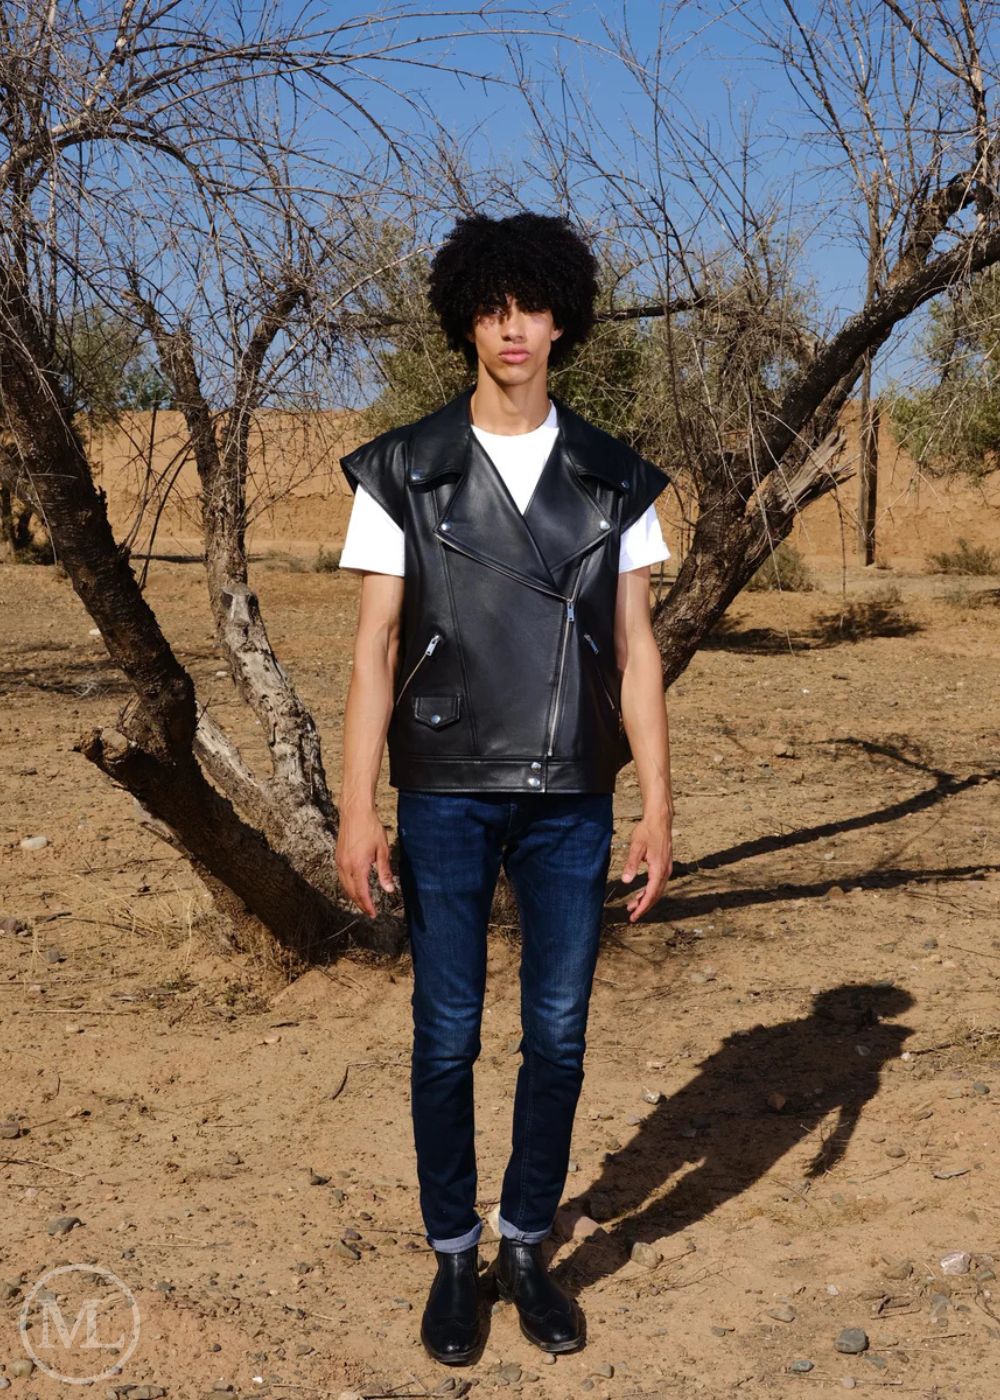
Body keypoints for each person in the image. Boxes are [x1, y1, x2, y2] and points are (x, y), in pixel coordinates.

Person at [335, 212, 674, 1365]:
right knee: (445, 1036)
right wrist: (356, 806)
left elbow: (636, 651)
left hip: (571, 791)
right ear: (465, 321)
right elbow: (374, 648)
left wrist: (658, 804)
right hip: (444, 788)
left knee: (558, 1035)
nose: (512, 328)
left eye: (530, 306)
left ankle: (527, 1245)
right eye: (491, 308)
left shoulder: (616, 477)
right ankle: (452, 1253)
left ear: (561, 319)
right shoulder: (400, 468)